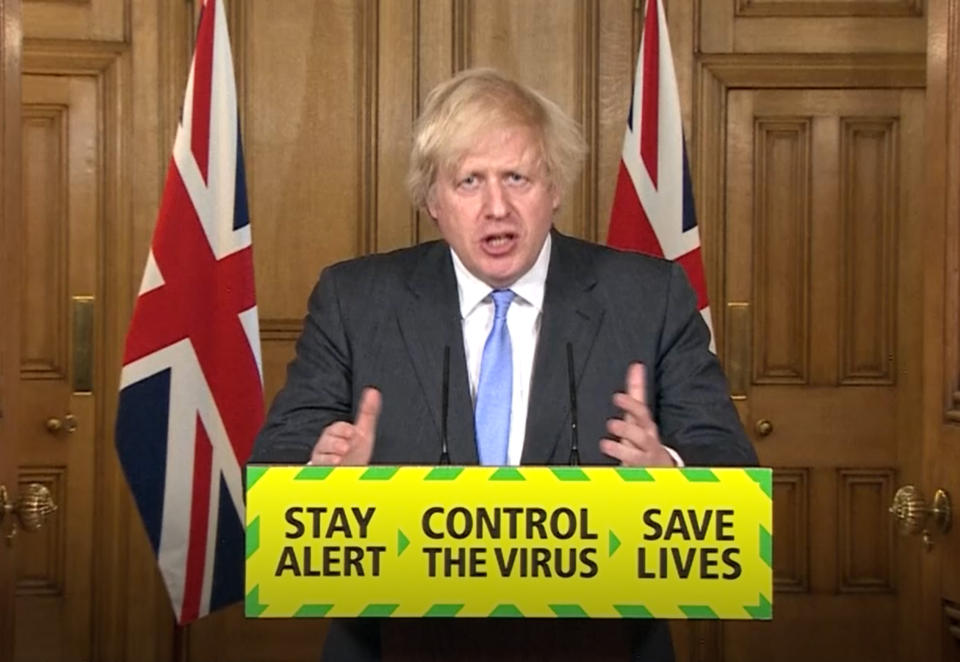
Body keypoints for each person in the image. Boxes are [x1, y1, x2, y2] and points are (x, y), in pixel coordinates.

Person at [250, 67, 756, 662]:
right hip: (397, 646)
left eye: (517, 177)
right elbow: (276, 470)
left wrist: (669, 477)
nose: (497, 207)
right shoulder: (355, 301)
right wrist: (321, 478)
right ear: (432, 201)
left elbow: (730, 474)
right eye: (469, 182)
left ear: (555, 188)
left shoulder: (648, 298)